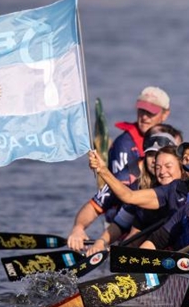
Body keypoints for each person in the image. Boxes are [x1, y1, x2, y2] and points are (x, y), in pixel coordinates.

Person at [67, 86, 172, 251]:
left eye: (150, 113)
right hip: (124, 221)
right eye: (141, 111)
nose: (144, 117)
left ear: (165, 114)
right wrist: (79, 229)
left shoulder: (182, 178)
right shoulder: (127, 157)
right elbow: (100, 202)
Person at [83, 137, 189, 254]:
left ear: (182, 168)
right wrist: (102, 243)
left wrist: (103, 170)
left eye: (168, 166)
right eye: (158, 167)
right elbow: (128, 205)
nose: (162, 172)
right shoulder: (146, 190)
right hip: (160, 252)